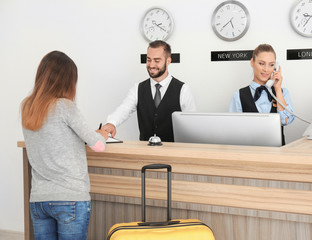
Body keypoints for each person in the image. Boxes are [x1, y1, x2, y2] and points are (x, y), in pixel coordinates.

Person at [21, 51, 108, 240]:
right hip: (70, 199)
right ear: (67, 81)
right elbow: (99, 146)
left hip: (39, 200)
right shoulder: (65, 107)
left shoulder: (27, 107)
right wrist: (103, 134)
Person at [103, 40, 196, 142]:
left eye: (157, 60)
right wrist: (111, 123)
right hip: (145, 153)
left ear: (168, 61)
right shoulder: (138, 88)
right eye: (148, 60)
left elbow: (191, 125)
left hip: (174, 153)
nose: (151, 65)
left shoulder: (183, 90)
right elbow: (125, 108)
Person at [229, 44, 295, 145]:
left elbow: (285, 121)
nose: (266, 69)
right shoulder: (238, 95)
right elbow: (234, 131)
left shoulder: (282, 93)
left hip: (278, 155)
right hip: (249, 154)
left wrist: (277, 89)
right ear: (252, 62)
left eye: (271, 65)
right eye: (261, 63)